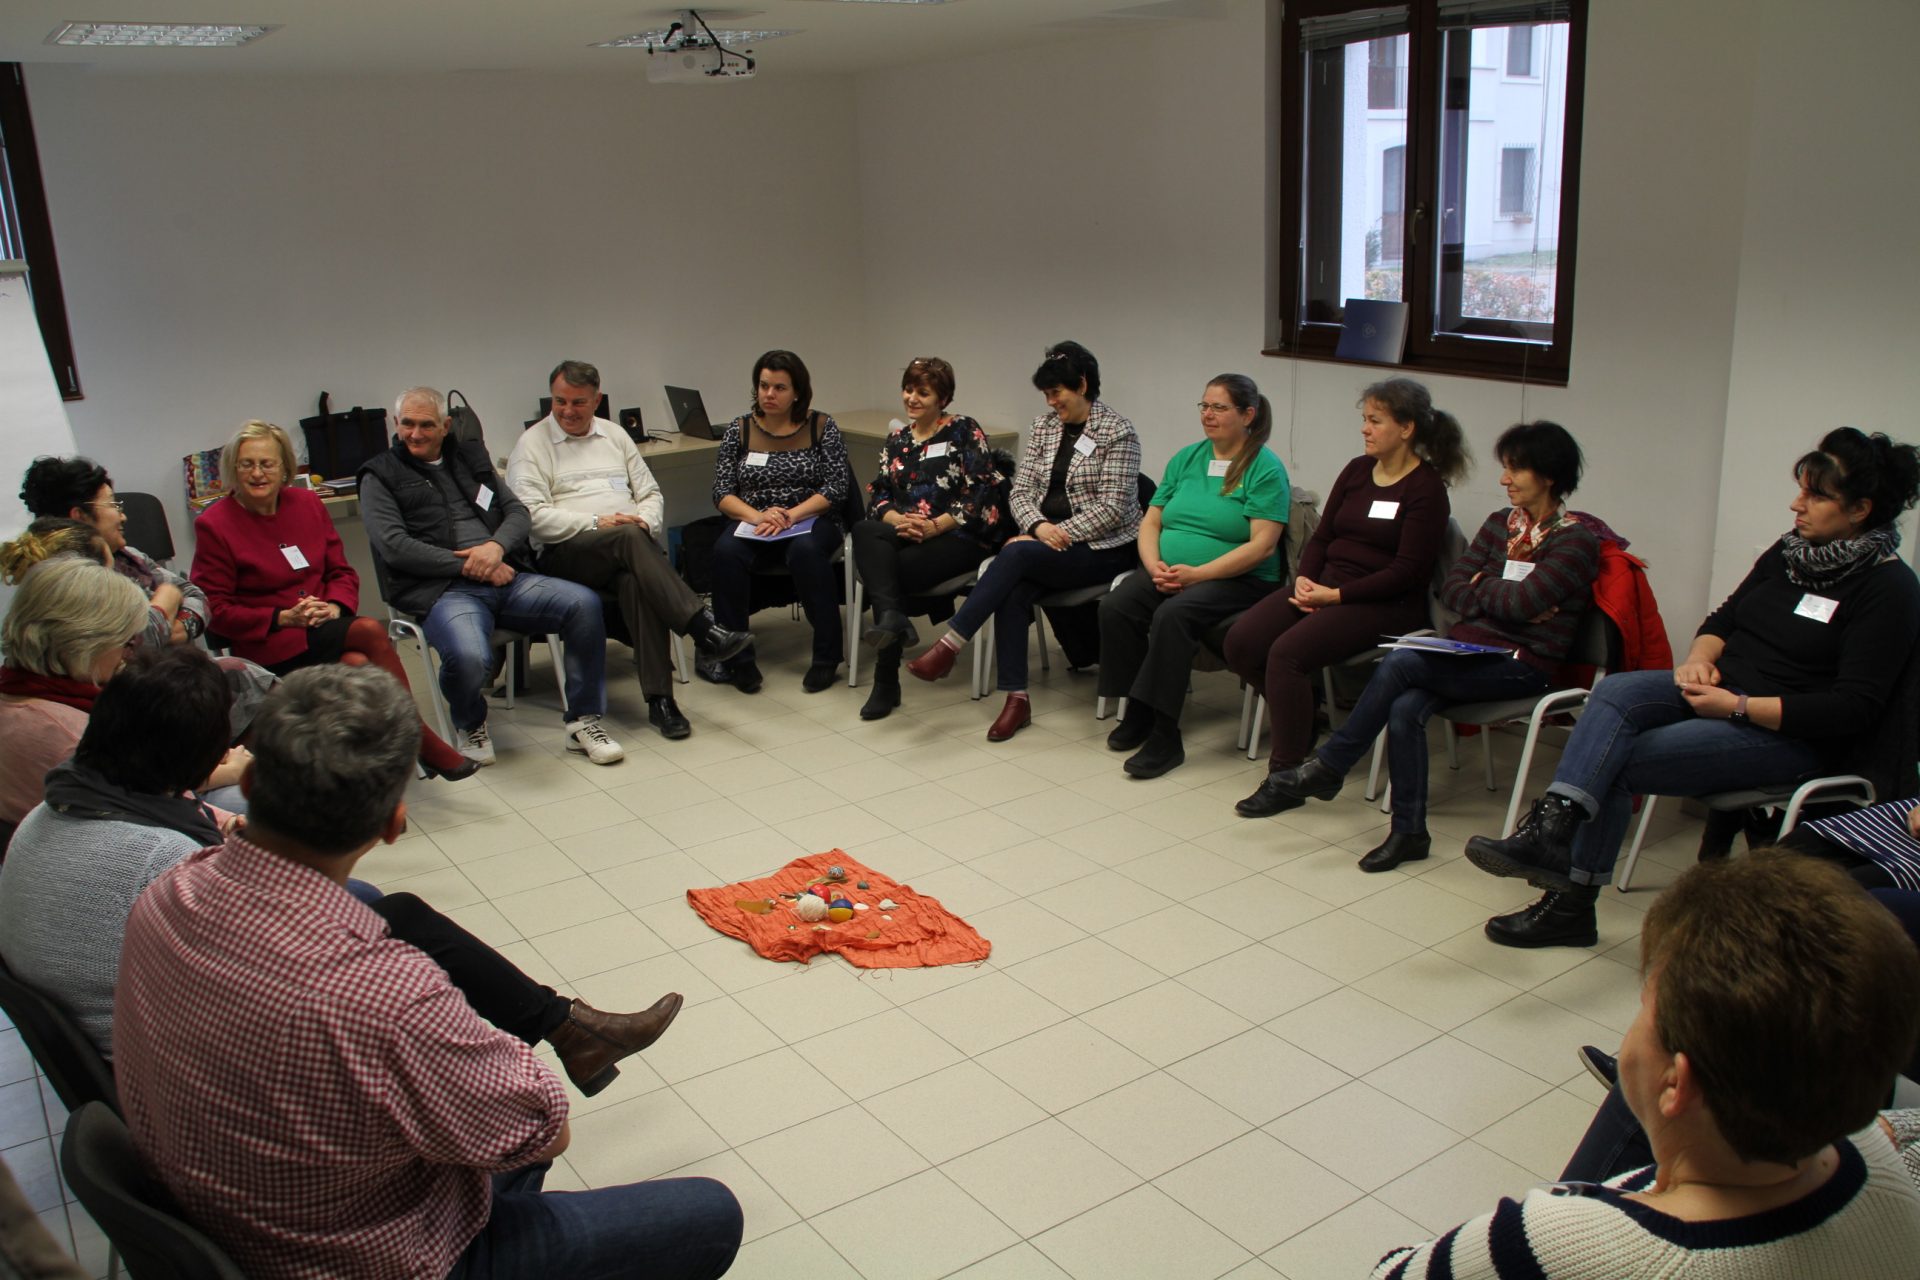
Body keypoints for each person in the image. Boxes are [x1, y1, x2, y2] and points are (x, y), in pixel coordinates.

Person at [113, 665, 741, 1280]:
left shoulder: (168, 891)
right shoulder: (385, 992)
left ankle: (574, 1036)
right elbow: (546, 1133)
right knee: (710, 1214)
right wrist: (470, 1044)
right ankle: (573, 1042)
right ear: (394, 823)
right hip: (358, 1259)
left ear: (250, 784)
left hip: (221, 1221)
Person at [0, 647, 681, 1092]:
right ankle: (558, 1031)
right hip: (175, 1066)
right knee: (387, 925)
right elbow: (281, 961)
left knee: (392, 911)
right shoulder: (165, 864)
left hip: (121, 1035)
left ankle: (569, 1028)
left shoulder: (62, 807)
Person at [1464, 427, 1920, 948]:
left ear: (1860, 510)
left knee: (1617, 760)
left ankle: (1569, 902)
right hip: (1721, 692)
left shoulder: (1890, 589)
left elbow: (1852, 709)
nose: (1796, 505)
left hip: (1789, 734)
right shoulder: (1790, 552)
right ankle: (1553, 828)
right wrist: (1700, 659)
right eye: (1801, 491)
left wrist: (1739, 706)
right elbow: (1723, 620)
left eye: (1816, 496)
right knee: (1614, 693)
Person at [1375, 853, 1920, 1278]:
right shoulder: (1881, 1163)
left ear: (1676, 1083)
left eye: (1644, 1008)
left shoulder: (1549, 1243)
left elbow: (1391, 1273)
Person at [1243, 422, 1600, 872]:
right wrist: (1494, 595)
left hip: (1524, 664)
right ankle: (1409, 832)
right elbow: (1453, 588)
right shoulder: (1499, 525)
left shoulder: (1575, 540)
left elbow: (1520, 602)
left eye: (1515, 470)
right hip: (1470, 652)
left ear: (1548, 476)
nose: (1504, 479)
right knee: (1406, 704)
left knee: (1401, 663)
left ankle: (1333, 764)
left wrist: (1485, 589)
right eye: (1505, 468)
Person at [191, 419, 478, 778]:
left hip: (325, 628)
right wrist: (282, 617)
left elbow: (341, 572)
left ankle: (378, 765)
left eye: (267, 463)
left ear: (284, 468)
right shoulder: (215, 524)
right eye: (246, 464)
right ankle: (420, 741)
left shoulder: (307, 503)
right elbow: (216, 611)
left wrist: (334, 606)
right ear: (233, 470)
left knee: (358, 662)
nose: (257, 473)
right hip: (272, 645)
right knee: (369, 630)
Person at [360, 389, 626, 766]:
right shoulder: (379, 475)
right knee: (469, 656)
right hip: (443, 590)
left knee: (583, 604)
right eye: (407, 424)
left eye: (426, 425)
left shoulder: (470, 459)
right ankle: (470, 723)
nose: (415, 434)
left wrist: (496, 548)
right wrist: (471, 564)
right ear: (395, 423)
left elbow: (518, 512)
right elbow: (394, 547)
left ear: (446, 426)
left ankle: (583, 721)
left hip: (505, 577)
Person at [1222, 378, 1464, 784]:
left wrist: (1336, 596)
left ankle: (1286, 774)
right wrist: (1306, 580)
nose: (1365, 429)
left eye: (1376, 421)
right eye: (1364, 419)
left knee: (1286, 655)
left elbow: (1408, 572)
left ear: (1407, 428)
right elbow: (1323, 537)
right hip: (1326, 587)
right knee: (1240, 643)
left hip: (1386, 604)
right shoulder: (1357, 470)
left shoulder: (1426, 489)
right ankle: (1304, 713)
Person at [907, 341, 1142, 741]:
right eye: (1046, 394)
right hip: (1044, 544)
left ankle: (950, 644)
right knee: (1013, 586)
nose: (1051, 402)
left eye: (1057, 393)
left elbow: (1113, 509)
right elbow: (1020, 492)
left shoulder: (1117, 432)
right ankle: (1016, 699)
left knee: (1015, 557)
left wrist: (1055, 533)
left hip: (1103, 548)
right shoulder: (1043, 427)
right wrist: (1038, 527)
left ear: (1082, 385)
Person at [507, 360, 750, 740]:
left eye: (578, 402)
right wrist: (597, 523)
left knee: (637, 580)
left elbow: (649, 493)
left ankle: (661, 702)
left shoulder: (614, 435)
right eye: (560, 401)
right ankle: (702, 627)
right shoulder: (532, 445)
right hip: (564, 555)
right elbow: (532, 518)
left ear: (597, 400)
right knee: (629, 539)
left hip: (622, 551)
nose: (568, 411)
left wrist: (644, 522)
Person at [1097, 374, 1289, 777]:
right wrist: (1153, 565)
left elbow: (1263, 546)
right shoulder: (1187, 458)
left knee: (1173, 615)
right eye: (1204, 405)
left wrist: (1199, 574)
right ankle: (1138, 709)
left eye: (1219, 407)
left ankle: (1165, 737)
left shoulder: (1264, 467)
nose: (1208, 414)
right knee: (1117, 606)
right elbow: (1152, 521)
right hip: (1173, 572)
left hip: (1242, 580)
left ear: (1248, 415)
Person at [850, 356, 1005, 721]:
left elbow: (981, 493)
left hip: (959, 535)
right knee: (864, 530)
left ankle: (885, 679)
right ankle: (893, 618)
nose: (912, 398)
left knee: (890, 570)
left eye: (923, 392)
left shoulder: (964, 430)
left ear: (943, 398)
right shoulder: (897, 439)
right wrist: (898, 519)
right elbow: (879, 493)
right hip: (907, 529)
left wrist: (935, 526)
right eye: (908, 390)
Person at [707, 349, 851, 694]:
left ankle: (826, 657)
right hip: (755, 520)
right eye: (764, 386)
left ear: (797, 392)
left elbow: (837, 487)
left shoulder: (821, 426)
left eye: (779, 388)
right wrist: (759, 516)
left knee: (805, 551)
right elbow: (722, 492)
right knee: (725, 552)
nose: (769, 394)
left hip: (811, 519)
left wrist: (791, 515)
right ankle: (738, 660)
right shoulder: (739, 429)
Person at [0, 558, 150, 828]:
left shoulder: (15, 694)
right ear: (86, 643)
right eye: (126, 642)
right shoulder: (72, 736)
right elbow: (159, 806)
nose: (126, 656)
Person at [19, 455, 206, 648]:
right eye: (113, 505)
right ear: (80, 516)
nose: (123, 516)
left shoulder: (128, 556)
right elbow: (129, 642)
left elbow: (196, 596)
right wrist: (168, 595)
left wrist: (171, 631)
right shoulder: (64, 580)